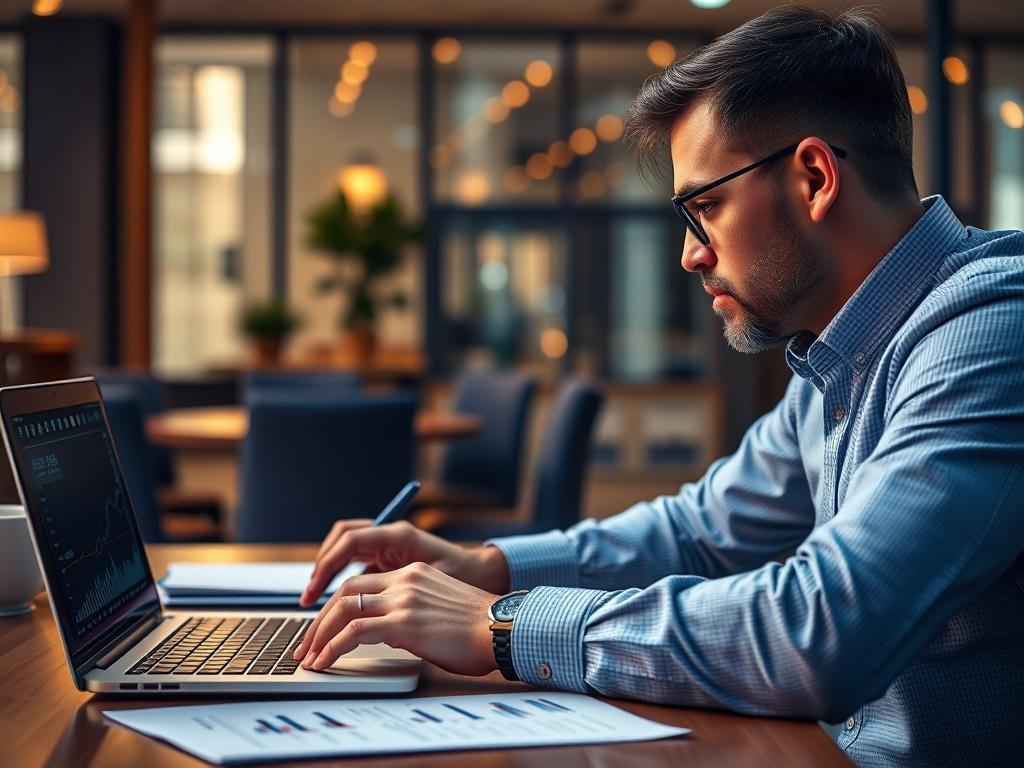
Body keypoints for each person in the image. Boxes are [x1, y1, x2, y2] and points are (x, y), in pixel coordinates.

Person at [293, 6, 1024, 767]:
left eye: (704, 208)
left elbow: (824, 629)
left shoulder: (994, 325)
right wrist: (490, 568)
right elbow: (701, 533)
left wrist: (506, 625)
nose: (689, 255)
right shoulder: (836, 351)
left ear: (814, 177)